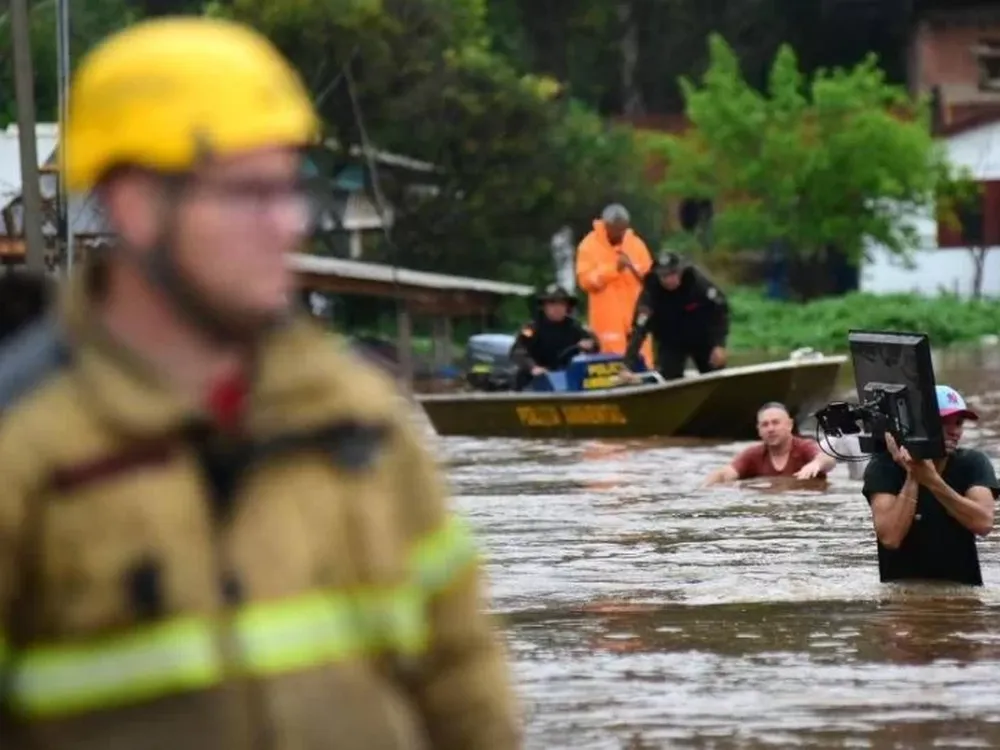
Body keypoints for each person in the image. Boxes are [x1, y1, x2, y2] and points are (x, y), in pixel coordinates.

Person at [0, 17, 520, 750]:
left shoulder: (361, 425)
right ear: (137, 204)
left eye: (288, 190)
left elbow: (464, 689)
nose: (285, 225)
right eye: (247, 194)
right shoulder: (23, 447)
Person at [862, 385, 998, 586]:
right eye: (944, 423)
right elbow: (890, 537)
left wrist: (932, 481)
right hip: (902, 596)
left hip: (962, 593)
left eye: (959, 423)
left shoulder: (973, 462)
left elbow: (984, 523)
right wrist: (913, 474)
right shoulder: (883, 467)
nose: (955, 432)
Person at [624, 251, 729, 380]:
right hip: (670, 340)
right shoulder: (651, 290)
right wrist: (627, 366)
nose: (669, 280)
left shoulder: (695, 280)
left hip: (702, 335)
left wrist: (719, 344)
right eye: (664, 276)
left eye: (673, 274)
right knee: (667, 377)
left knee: (715, 372)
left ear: (680, 271)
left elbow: (720, 308)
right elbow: (639, 329)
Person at [575, 203, 654, 366]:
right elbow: (586, 281)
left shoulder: (636, 244)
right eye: (615, 229)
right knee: (609, 361)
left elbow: (650, 278)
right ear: (605, 225)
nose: (619, 234)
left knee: (643, 359)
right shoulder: (588, 246)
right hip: (607, 318)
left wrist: (633, 268)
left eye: (623, 229)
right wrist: (613, 269)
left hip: (635, 314)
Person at [704, 402, 836, 485]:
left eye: (776, 422)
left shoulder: (804, 447)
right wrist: (703, 491)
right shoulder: (753, 455)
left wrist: (816, 464)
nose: (771, 429)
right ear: (759, 430)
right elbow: (725, 473)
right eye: (765, 425)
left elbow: (828, 459)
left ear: (789, 425)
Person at [509, 283, 598, 389]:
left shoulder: (575, 327)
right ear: (544, 306)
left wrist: (590, 346)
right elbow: (518, 351)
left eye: (561, 304)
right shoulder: (532, 328)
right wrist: (533, 367)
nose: (557, 308)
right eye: (552, 304)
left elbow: (594, 345)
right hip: (536, 378)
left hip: (567, 378)